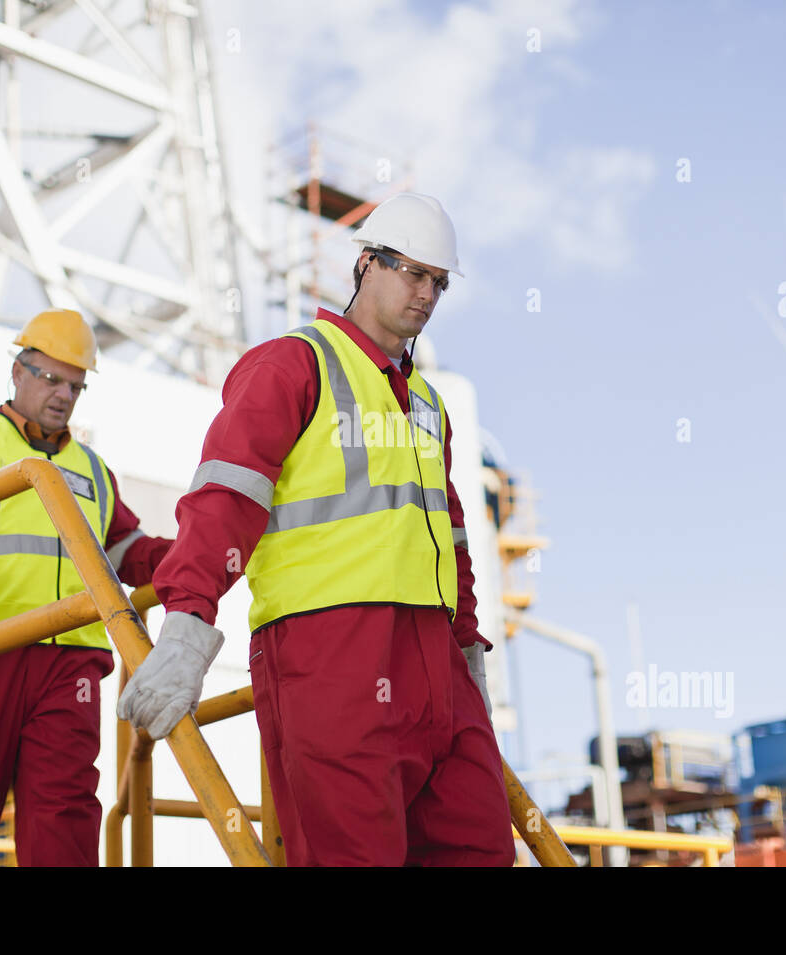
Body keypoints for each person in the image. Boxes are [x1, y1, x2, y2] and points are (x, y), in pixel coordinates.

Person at [118, 192, 514, 866]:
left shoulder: (428, 405)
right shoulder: (293, 364)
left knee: (480, 850)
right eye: (412, 273)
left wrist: (467, 646)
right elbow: (227, 498)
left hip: (435, 662)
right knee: (353, 857)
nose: (425, 294)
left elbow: (451, 539)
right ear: (366, 264)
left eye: (438, 282)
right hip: (328, 653)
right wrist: (187, 622)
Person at [0, 308, 173, 867]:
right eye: (50, 378)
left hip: (68, 662)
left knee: (64, 813)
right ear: (18, 371)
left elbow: (126, 551)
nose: (63, 395)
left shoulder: (94, 471)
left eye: (76, 385)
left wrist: (198, 554)